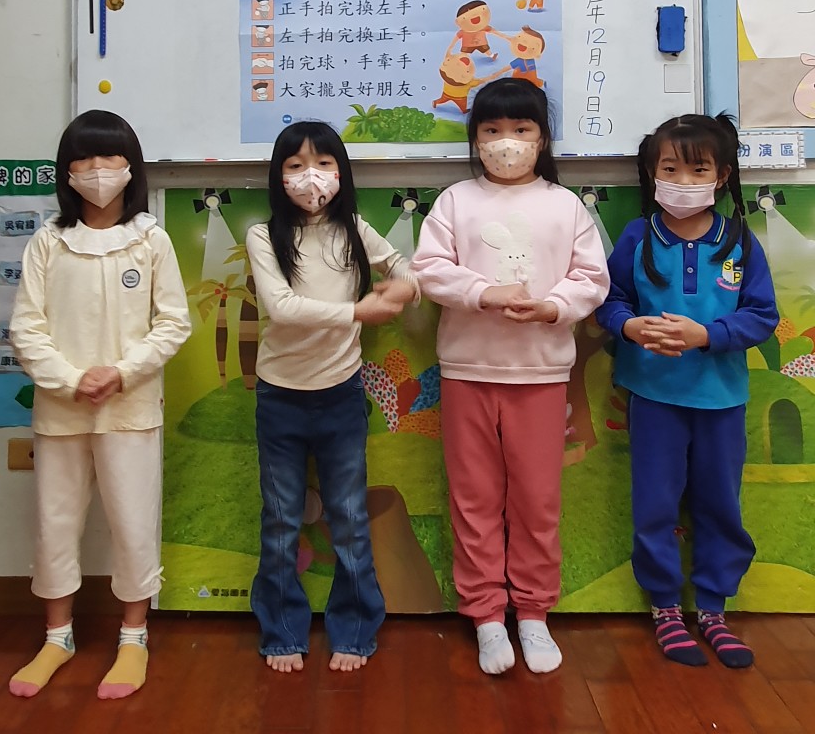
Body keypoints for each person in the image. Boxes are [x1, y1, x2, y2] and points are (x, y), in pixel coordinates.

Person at [410, 79, 609, 676]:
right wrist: (483, 292)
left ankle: (533, 612)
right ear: (475, 138)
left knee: (537, 500)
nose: (507, 142)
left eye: (521, 129)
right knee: (474, 499)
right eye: (492, 130)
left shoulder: (565, 205)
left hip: (541, 375)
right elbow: (429, 269)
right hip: (467, 371)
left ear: (542, 138)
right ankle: (486, 615)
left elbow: (591, 278)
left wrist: (552, 307)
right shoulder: (455, 201)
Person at [8, 110, 191, 700]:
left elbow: (173, 323)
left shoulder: (151, 238)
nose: (96, 169)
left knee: (133, 523)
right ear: (66, 171)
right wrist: (70, 380)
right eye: (82, 159)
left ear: (130, 166)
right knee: (55, 524)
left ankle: (133, 638)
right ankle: (56, 637)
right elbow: (26, 328)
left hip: (130, 409)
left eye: (108, 157)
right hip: (60, 411)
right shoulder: (48, 240)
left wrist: (121, 373)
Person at [595, 114, 778, 669]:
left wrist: (708, 335)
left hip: (721, 400)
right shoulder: (637, 236)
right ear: (652, 173)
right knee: (655, 504)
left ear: (721, 176)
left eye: (698, 170)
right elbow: (609, 300)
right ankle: (666, 607)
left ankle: (714, 609)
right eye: (670, 168)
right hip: (654, 399)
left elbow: (762, 315)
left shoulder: (740, 241)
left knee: (719, 504)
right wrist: (629, 326)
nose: (682, 180)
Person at [245, 121, 419, 675]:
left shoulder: (355, 229)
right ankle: (282, 633)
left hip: (341, 396)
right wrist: (357, 311)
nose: (310, 177)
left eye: (322, 164)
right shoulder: (262, 236)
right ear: (278, 176)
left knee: (347, 518)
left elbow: (403, 269)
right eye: (295, 166)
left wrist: (404, 284)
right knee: (281, 521)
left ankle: (356, 629)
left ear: (341, 173)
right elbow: (281, 308)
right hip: (280, 398)